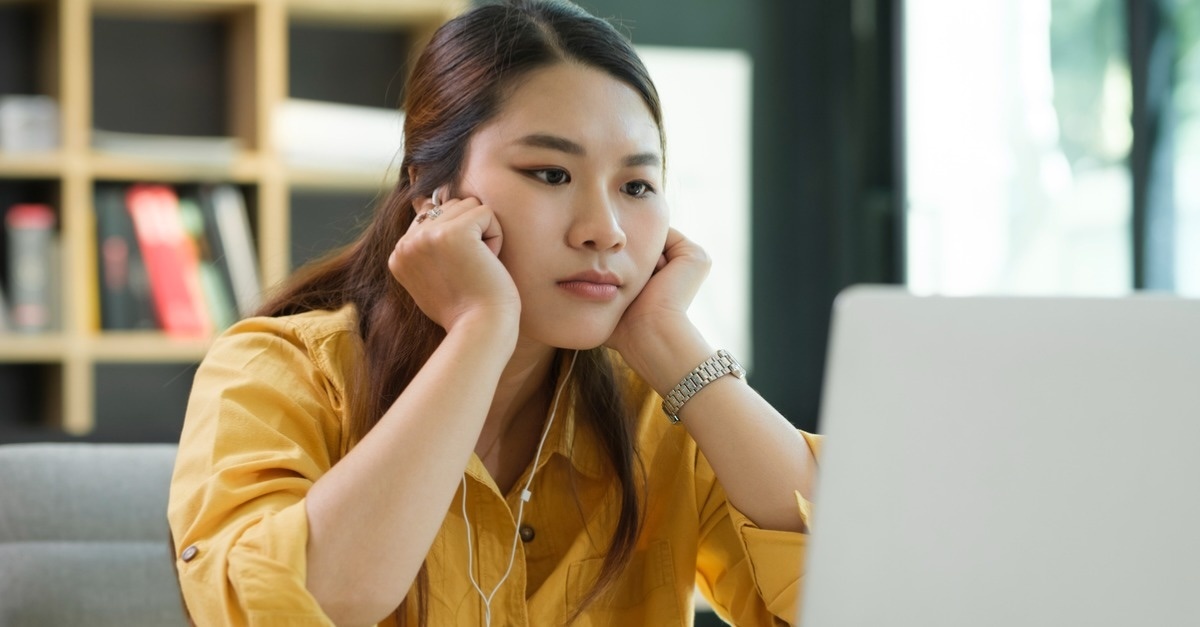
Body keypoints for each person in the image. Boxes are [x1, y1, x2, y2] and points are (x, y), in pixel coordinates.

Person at [167, 1, 821, 625]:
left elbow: (864, 595)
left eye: (637, 186)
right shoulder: (278, 371)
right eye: (551, 173)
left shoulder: (655, 408)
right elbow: (296, 605)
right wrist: (480, 329)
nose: (606, 229)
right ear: (433, 190)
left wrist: (676, 347)